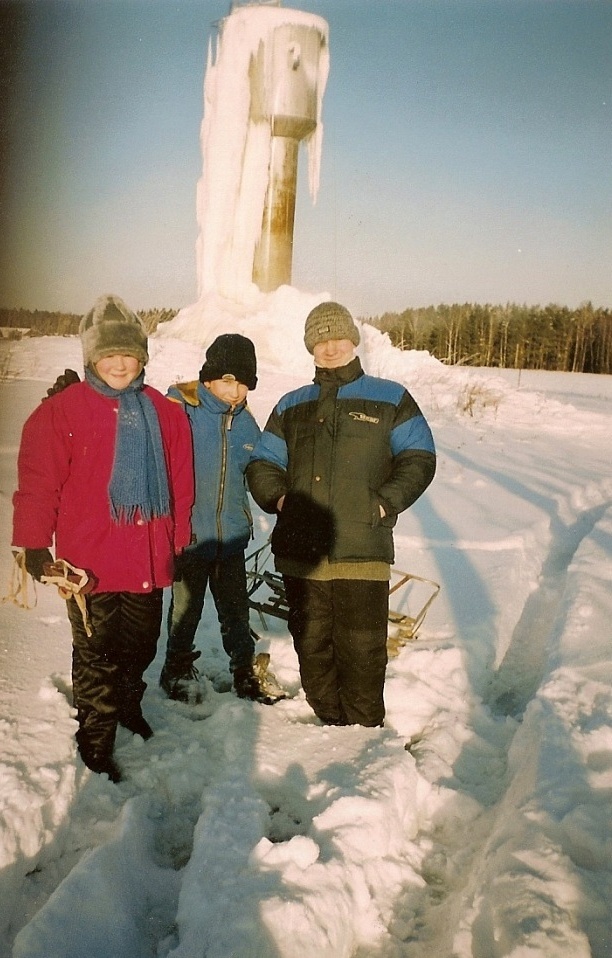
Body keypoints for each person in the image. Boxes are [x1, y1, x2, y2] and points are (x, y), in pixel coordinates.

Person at [12, 295, 194, 782]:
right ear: (90, 358)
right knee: (96, 653)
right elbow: (38, 480)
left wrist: (179, 537)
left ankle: (128, 708)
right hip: (87, 562)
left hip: (148, 558)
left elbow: (181, 480)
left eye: (128, 354)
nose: (118, 363)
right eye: (108, 354)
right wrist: (33, 542)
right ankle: (95, 739)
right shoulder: (62, 412)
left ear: (142, 357)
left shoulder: (165, 412)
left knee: (141, 646)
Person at [246, 301, 436, 728]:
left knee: (363, 649)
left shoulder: (390, 397)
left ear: (353, 340)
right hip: (303, 552)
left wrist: (383, 502)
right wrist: (280, 501)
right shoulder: (291, 404)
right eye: (320, 340)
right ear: (310, 347)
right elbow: (262, 463)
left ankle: (365, 733)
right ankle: (330, 727)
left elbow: (419, 457)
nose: (329, 348)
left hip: (362, 548)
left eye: (337, 338)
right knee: (311, 646)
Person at [159, 334, 283, 704]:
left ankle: (244, 672)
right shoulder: (180, 410)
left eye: (244, 382)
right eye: (228, 380)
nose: (235, 390)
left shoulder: (248, 425)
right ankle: (176, 669)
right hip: (190, 534)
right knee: (185, 609)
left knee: (235, 610)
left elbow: (261, 471)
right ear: (209, 378)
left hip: (230, 535)